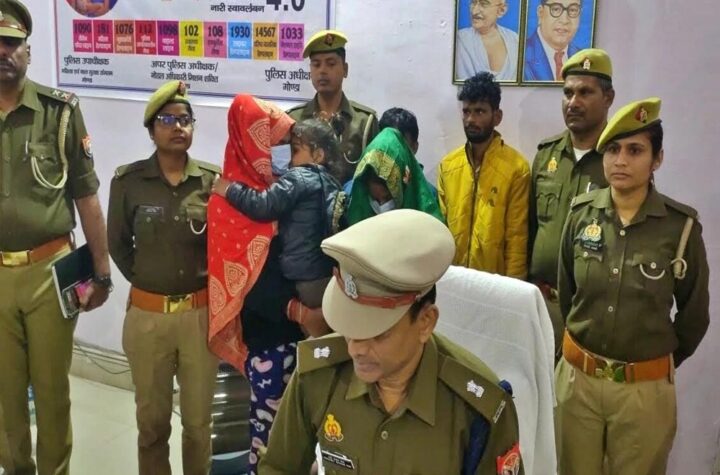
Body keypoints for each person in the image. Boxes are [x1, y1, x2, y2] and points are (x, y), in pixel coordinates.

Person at [259, 209, 523, 474]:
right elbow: (278, 468)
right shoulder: (318, 376)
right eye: (350, 328)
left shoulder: (477, 409)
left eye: (377, 334)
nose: (355, 348)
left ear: (425, 322)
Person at [556, 98, 710, 475]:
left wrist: (651, 364)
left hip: (644, 392)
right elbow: (568, 293)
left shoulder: (680, 228)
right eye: (612, 150)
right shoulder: (581, 214)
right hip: (578, 383)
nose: (620, 160)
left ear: (657, 159)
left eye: (635, 150)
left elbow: (694, 317)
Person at [0, 1, 113, 474]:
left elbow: (86, 196)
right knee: (6, 397)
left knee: (51, 392)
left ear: (28, 50)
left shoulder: (59, 112)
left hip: (50, 274)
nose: (3, 52)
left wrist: (102, 272)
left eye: (11, 43)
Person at [206, 95, 328, 475]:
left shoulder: (281, 190)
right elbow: (240, 279)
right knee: (269, 438)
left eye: (288, 145)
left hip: (306, 331)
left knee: (306, 435)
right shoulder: (229, 200)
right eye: (275, 144)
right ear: (251, 142)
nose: (281, 154)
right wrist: (298, 311)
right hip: (269, 337)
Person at [106, 81, 219, 475]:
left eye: (185, 120)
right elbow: (117, 244)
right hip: (148, 320)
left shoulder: (211, 182)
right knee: (152, 425)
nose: (178, 127)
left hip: (199, 320)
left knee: (198, 426)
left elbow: (223, 247)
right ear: (151, 130)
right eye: (167, 120)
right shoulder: (129, 182)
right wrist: (148, 281)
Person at [528, 48, 614, 354]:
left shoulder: (618, 161)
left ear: (608, 98)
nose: (573, 102)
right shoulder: (546, 155)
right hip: (543, 303)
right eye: (567, 93)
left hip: (591, 310)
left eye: (585, 93)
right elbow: (531, 227)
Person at [212, 118, 343, 309]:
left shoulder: (299, 177)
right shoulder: (331, 182)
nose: (289, 158)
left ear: (318, 155)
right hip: (322, 272)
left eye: (295, 150)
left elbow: (264, 205)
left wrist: (229, 189)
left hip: (302, 276)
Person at [438, 72, 529, 279]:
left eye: (479, 111)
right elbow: (441, 231)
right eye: (466, 111)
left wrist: (513, 289)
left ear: (497, 117)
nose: (471, 119)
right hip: (453, 278)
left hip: (494, 284)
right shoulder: (449, 166)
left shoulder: (516, 169)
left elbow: (516, 239)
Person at [287, 29, 379, 185]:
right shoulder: (293, 120)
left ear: (345, 69)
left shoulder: (365, 123)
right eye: (316, 64)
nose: (322, 71)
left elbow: (373, 181)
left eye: (330, 64)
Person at [345, 127, 443, 225]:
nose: (382, 207)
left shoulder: (428, 212)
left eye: (387, 198)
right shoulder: (351, 199)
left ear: (404, 185)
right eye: (375, 200)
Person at [456, 0, 519, 81]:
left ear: (501, 10)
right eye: (473, 3)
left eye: (484, 4)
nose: (474, 11)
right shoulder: (459, 40)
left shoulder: (514, 40)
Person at [523, 0, 582, 81]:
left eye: (573, 10)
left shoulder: (583, 58)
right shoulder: (519, 55)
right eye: (556, 9)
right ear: (540, 13)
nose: (564, 20)